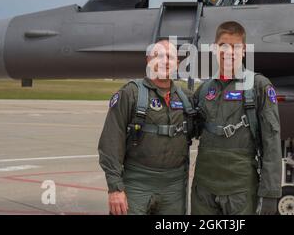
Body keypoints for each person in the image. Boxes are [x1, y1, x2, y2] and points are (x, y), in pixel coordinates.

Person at [191, 21, 282, 215]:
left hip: (240, 189)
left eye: (236, 47)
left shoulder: (258, 87)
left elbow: (271, 142)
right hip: (204, 187)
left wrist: (271, 192)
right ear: (215, 49)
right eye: (224, 46)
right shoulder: (205, 90)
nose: (229, 52)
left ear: (244, 51)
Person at [98, 39, 195, 215]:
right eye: (159, 56)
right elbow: (110, 142)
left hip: (174, 187)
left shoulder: (187, 99)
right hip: (137, 182)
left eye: (171, 57)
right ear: (148, 60)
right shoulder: (130, 94)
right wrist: (115, 188)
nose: (165, 61)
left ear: (178, 64)